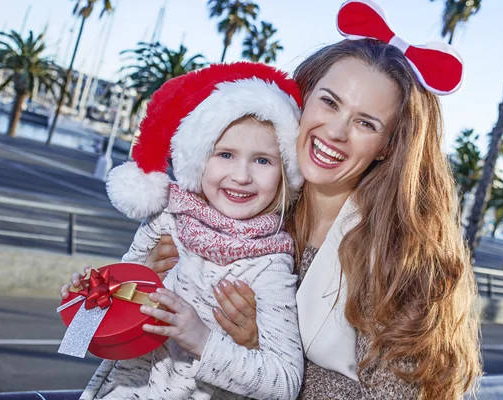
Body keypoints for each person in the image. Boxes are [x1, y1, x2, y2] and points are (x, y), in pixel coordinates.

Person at [145, 1, 483, 399]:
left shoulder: (401, 260)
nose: (336, 132)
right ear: (303, 97)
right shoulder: (251, 204)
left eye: (365, 123)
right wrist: (146, 280)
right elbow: (130, 339)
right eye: (329, 101)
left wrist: (259, 354)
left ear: (388, 147)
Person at [61, 62, 305, 400]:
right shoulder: (165, 221)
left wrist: (202, 339)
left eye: (262, 160)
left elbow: (286, 383)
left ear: (284, 174)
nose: (242, 175)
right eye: (225, 154)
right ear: (197, 159)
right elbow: (87, 338)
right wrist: (85, 307)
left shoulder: (270, 264)